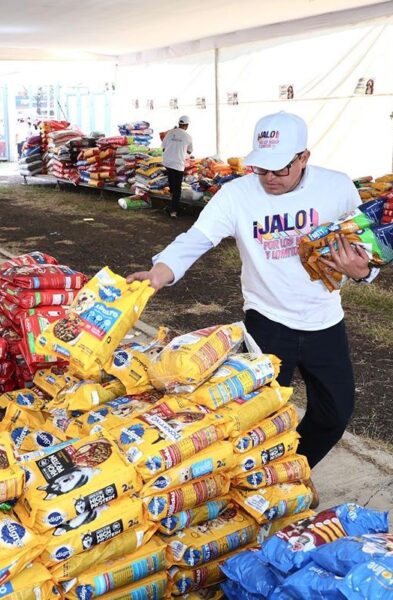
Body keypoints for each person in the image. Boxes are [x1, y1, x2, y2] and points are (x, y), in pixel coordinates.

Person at [128, 111, 378, 477]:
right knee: (257, 419)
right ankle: (257, 479)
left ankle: (292, 472)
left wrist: (364, 271)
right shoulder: (237, 194)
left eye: (280, 170)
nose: (270, 179)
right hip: (267, 322)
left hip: (324, 319)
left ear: (303, 158)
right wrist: (159, 273)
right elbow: (197, 238)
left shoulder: (337, 187)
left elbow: (365, 247)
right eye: (262, 169)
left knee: (334, 413)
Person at [162, 115, 193, 218]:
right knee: (177, 189)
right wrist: (181, 151)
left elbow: (163, 148)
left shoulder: (170, 133)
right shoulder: (187, 136)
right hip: (178, 164)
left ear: (179, 123)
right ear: (187, 125)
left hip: (167, 163)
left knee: (172, 186)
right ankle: (174, 211)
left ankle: (173, 206)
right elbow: (189, 151)